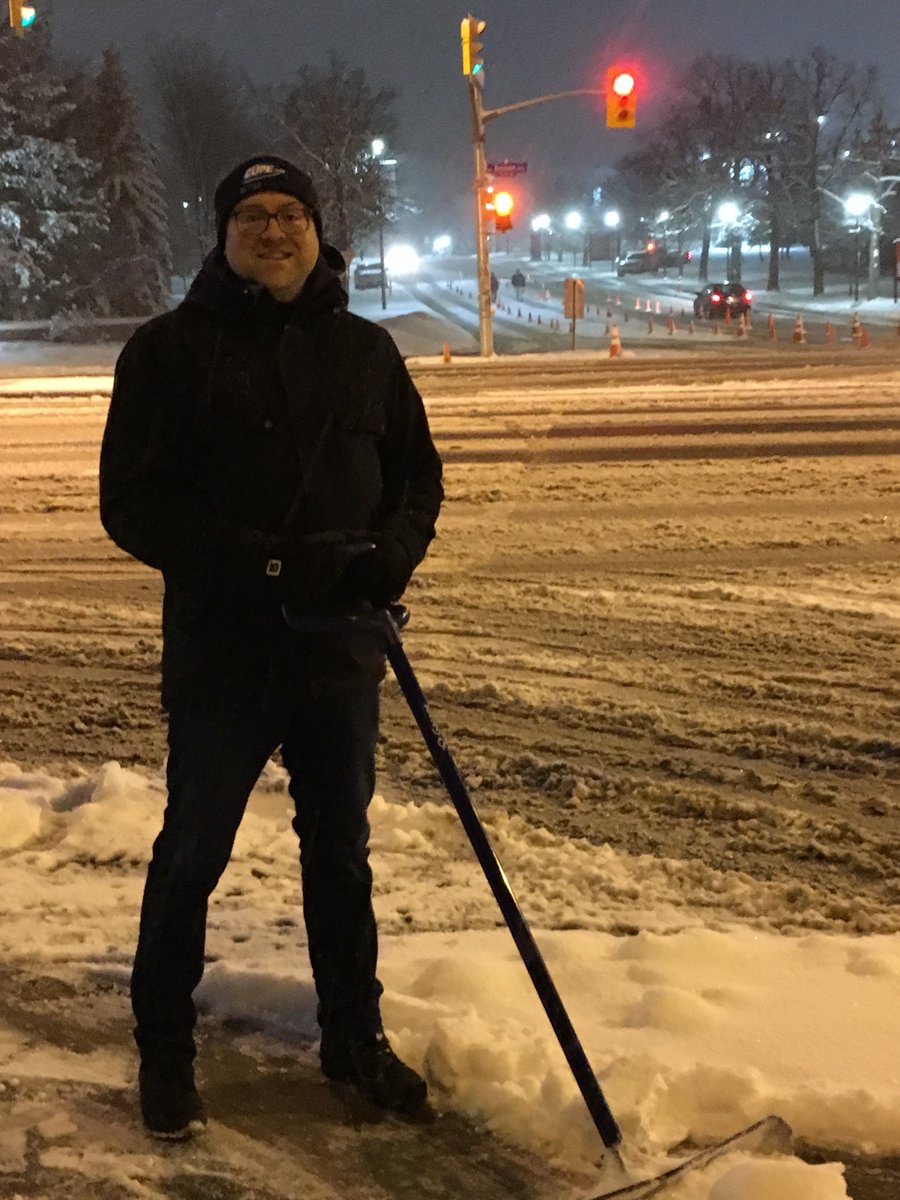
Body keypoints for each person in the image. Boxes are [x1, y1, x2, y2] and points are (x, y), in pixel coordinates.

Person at [99, 154, 443, 1140]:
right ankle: (166, 1049)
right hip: (225, 654)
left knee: (340, 853)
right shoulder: (169, 352)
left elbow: (416, 479)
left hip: (342, 653)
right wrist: (266, 563)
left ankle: (354, 1038)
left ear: (318, 230)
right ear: (223, 236)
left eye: (292, 212)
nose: (275, 229)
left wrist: (393, 557)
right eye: (253, 215)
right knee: (193, 851)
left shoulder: (367, 351)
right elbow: (133, 505)